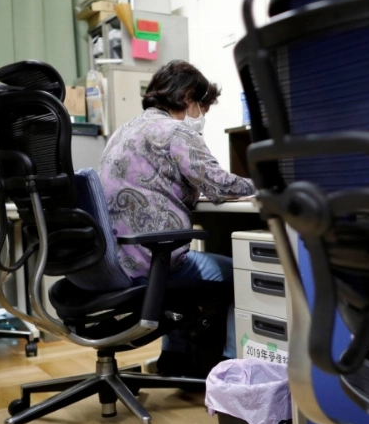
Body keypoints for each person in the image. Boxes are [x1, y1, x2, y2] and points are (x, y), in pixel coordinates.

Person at [99, 60, 255, 376]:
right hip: (149, 260)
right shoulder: (175, 131)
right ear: (186, 97)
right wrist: (267, 185)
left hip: (114, 261)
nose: (200, 117)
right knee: (241, 274)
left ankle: (176, 358)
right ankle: (230, 373)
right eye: (201, 106)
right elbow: (219, 184)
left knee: (169, 255)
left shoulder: (123, 132)